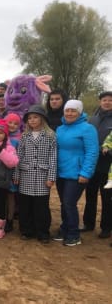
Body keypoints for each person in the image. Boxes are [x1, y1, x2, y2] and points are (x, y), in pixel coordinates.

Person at [53, 100, 98, 246]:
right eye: (67, 110)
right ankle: (65, 228)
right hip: (61, 172)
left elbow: (92, 151)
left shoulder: (87, 129)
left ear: (79, 112)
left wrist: (86, 173)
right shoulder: (60, 129)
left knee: (69, 203)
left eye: (73, 111)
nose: (69, 113)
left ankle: (74, 234)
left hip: (77, 173)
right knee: (63, 203)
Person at [13, 105, 57, 244]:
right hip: (26, 175)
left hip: (42, 176)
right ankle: (26, 230)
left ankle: (43, 232)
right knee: (25, 205)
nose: (32, 120)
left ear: (42, 118)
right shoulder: (25, 136)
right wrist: (16, 175)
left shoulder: (50, 136)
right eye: (30, 118)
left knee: (41, 206)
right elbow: (18, 156)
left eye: (35, 117)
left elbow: (53, 157)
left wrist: (51, 177)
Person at [81, 91, 112, 238]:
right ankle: (88, 223)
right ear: (100, 102)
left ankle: (106, 227)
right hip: (93, 163)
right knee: (90, 194)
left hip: (108, 166)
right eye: (104, 100)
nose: (107, 102)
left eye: (110, 100)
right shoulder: (93, 119)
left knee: (107, 197)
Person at [4, 112, 22, 232]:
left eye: (15, 123)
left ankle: (9, 220)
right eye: (10, 122)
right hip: (0, 172)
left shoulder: (19, 139)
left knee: (11, 197)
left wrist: (16, 173)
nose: (12, 125)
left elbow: (19, 158)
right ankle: (1, 218)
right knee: (2, 197)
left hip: (12, 172)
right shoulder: (1, 135)